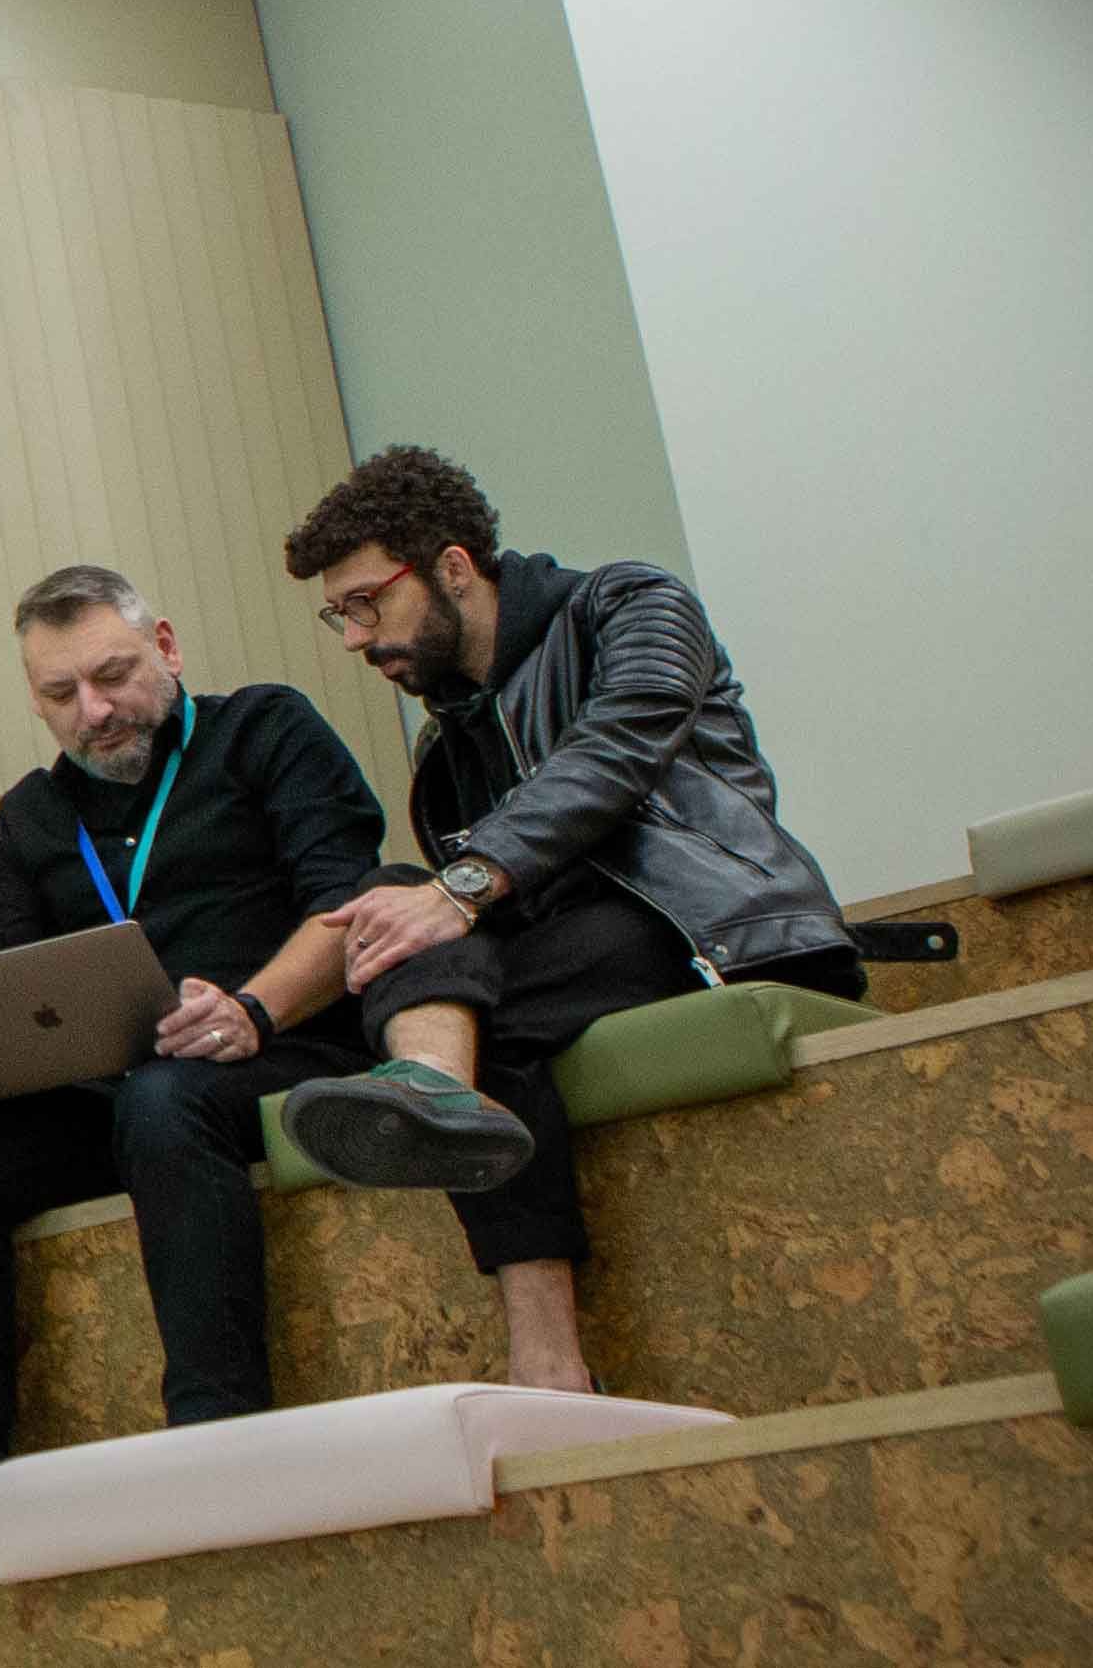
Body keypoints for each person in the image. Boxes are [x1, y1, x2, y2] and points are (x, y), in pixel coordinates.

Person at [272, 446, 861, 1393]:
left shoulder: (629, 605)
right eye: (338, 613)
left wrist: (461, 889)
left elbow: (616, 752)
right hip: (566, 956)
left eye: (366, 602)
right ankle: (436, 1086)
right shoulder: (448, 734)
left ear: (453, 568)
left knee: (464, 971)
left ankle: (544, 1356)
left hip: (700, 926)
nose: (352, 636)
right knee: (402, 903)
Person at [0, 566, 392, 1548]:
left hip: (281, 1048)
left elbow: (350, 902)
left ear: (165, 644)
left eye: (113, 674)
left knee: (165, 1100)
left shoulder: (266, 730)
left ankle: (218, 1439)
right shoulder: (30, 814)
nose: (95, 710)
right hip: (112, 1091)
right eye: (59, 694)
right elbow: (7, 973)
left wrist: (252, 1006)